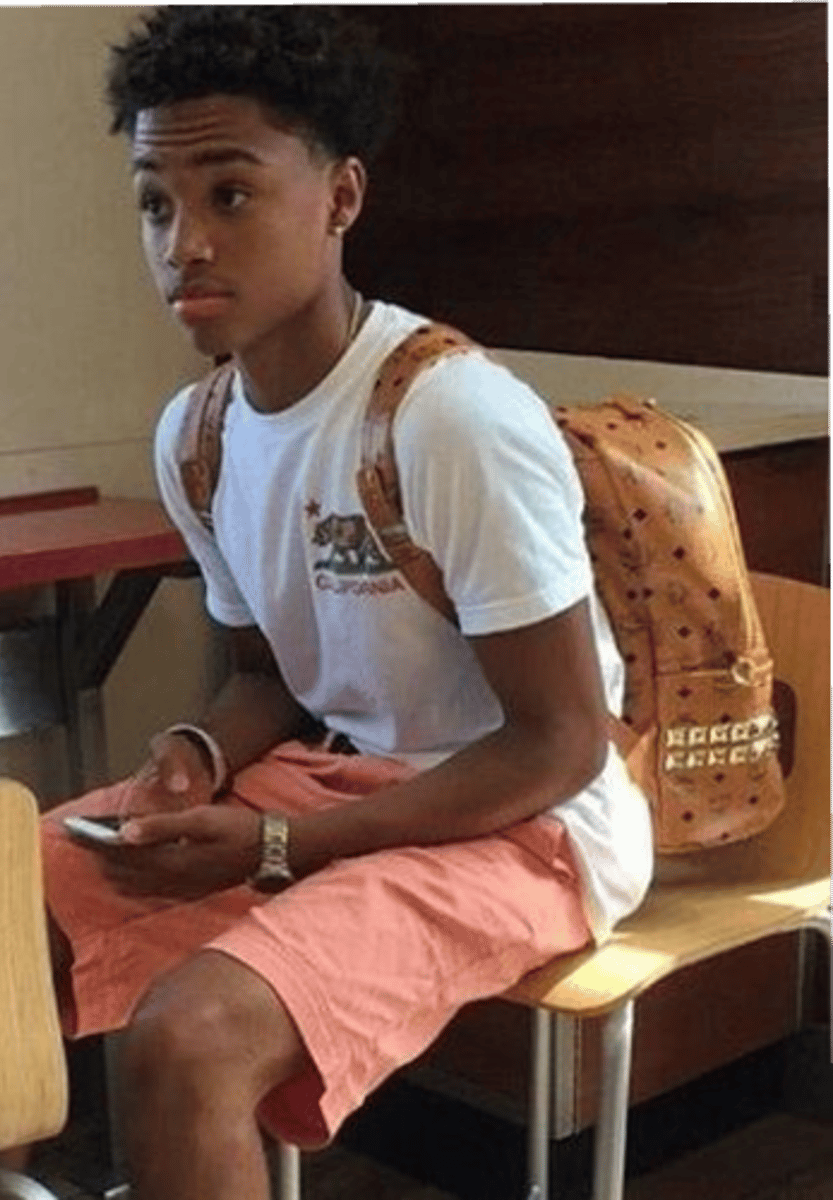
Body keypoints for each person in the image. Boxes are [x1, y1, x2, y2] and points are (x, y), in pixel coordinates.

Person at [40, 7, 653, 1199]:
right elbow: (268, 677)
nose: (184, 244)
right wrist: (197, 753)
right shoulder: (198, 435)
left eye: (230, 194)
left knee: (187, 1038)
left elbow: (562, 741)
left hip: (530, 824)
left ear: (341, 197)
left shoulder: (446, 416)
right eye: (156, 204)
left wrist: (283, 847)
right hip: (338, 781)